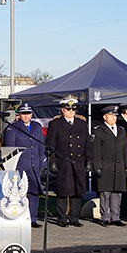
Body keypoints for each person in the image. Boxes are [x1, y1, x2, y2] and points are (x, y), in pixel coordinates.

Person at [46, 96, 92, 228]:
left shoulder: (82, 124)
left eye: (73, 109)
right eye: (68, 109)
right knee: (63, 191)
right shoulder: (55, 124)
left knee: (77, 190)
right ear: (62, 110)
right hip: (63, 161)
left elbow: (87, 144)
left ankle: (74, 217)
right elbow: (51, 145)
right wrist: (52, 162)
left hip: (78, 162)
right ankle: (61, 217)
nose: (71, 111)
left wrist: (89, 161)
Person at [3, 103, 45, 228]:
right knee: (19, 193)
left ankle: (32, 218)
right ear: (19, 114)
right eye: (23, 114)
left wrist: (43, 162)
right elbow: (10, 148)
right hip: (20, 165)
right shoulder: (13, 127)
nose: (26, 116)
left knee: (34, 192)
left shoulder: (37, 126)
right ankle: (19, 217)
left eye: (28, 113)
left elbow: (40, 145)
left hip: (34, 164)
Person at [92, 105, 127, 227]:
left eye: (115, 116)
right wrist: (96, 166)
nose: (113, 118)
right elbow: (95, 150)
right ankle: (105, 217)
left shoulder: (121, 131)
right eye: (111, 115)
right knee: (105, 193)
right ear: (105, 117)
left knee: (117, 192)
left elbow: (125, 150)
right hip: (105, 166)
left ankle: (116, 216)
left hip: (119, 166)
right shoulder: (98, 130)